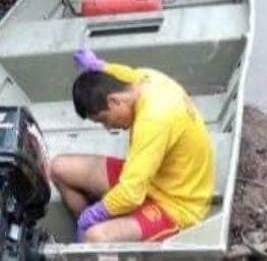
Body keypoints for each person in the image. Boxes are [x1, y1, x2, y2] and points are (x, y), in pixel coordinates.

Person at [49, 48, 215, 244]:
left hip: (177, 204)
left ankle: (97, 241)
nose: (108, 127)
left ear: (115, 101)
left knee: (96, 237)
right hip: (153, 178)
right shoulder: (145, 80)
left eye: (104, 119)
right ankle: (89, 246)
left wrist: (93, 215)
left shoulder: (153, 120)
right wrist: (100, 66)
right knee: (58, 168)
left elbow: (130, 194)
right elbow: (124, 74)